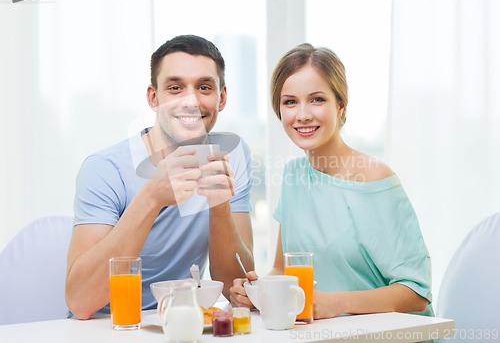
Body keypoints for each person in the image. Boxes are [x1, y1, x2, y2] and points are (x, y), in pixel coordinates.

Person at [230, 43, 434, 320]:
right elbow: (282, 269)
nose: (302, 114)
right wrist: (258, 291)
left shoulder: (375, 179)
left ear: (340, 105)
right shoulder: (293, 176)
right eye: (290, 102)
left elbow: (416, 293)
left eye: (317, 99)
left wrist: (334, 304)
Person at [66, 35, 254, 320]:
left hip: (181, 325)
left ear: (221, 98)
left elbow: (236, 290)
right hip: (106, 328)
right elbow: (80, 302)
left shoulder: (232, 157)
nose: (190, 101)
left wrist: (220, 207)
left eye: (204, 87)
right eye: (175, 88)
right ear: (154, 98)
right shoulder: (104, 169)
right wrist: (152, 197)